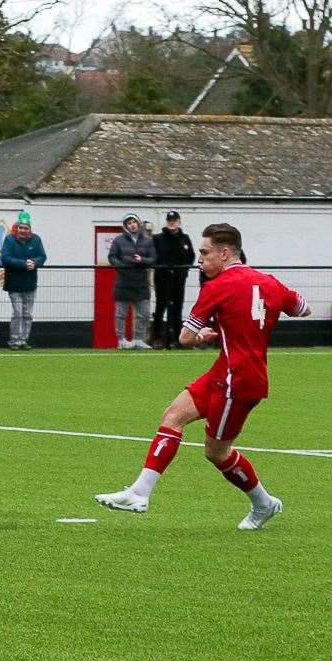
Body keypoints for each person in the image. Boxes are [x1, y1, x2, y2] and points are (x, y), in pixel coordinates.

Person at [95, 223, 311, 529]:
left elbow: (185, 336)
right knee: (173, 415)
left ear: (224, 254)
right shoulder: (270, 282)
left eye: (205, 252)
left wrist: (206, 335)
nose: (200, 259)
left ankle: (264, 503)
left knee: (216, 451)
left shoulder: (218, 286)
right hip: (225, 371)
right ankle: (139, 493)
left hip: (239, 381)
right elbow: (303, 309)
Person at [107, 213, 155, 349]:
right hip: (123, 282)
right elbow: (112, 257)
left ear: (138, 224)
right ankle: (121, 340)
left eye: (134, 222)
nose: (132, 225)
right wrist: (123, 265)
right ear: (125, 226)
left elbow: (153, 259)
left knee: (143, 314)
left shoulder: (147, 241)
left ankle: (138, 340)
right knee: (121, 314)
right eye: (129, 223)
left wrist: (142, 260)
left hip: (141, 283)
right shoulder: (118, 241)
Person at [0, 211, 45, 349]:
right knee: (18, 313)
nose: (23, 230)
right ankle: (14, 340)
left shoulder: (36, 239)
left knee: (28, 314)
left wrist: (35, 262)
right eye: (21, 227)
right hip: (14, 283)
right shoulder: (9, 239)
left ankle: (24, 340)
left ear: (29, 229)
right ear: (16, 228)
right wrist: (24, 264)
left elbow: (42, 256)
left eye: (26, 228)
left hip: (30, 283)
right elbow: (5, 258)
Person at [152, 210, 196, 349]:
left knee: (177, 309)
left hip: (178, 279)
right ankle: (157, 338)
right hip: (162, 279)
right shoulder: (157, 238)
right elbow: (153, 257)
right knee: (160, 308)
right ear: (167, 222)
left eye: (175, 220)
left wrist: (184, 270)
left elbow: (191, 256)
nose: (172, 223)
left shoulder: (185, 238)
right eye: (170, 221)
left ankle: (177, 339)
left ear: (179, 222)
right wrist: (160, 267)